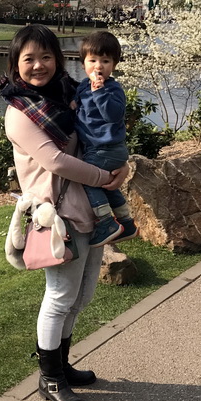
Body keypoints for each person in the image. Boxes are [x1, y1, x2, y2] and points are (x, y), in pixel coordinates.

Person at [0, 24, 126, 401]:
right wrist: (105, 177)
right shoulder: (19, 113)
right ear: (16, 64)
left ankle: (62, 363)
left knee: (82, 296)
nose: (39, 66)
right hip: (56, 214)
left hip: (89, 207)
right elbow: (55, 160)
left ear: (58, 58)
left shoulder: (72, 96)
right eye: (29, 59)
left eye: (46, 57)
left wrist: (120, 161)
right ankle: (49, 376)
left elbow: (103, 132)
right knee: (59, 297)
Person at [75, 30, 140, 247]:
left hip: (107, 148)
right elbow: (77, 105)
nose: (98, 66)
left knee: (87, 179)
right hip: (98, 148)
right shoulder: (83, 86)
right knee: (107, 187)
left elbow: (113, 116)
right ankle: (126, 222)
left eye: (105, 61)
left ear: (114, 65)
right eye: (92, 60)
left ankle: (105, 222)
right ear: (84, 63)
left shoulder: (112, 89)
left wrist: (100, 92)